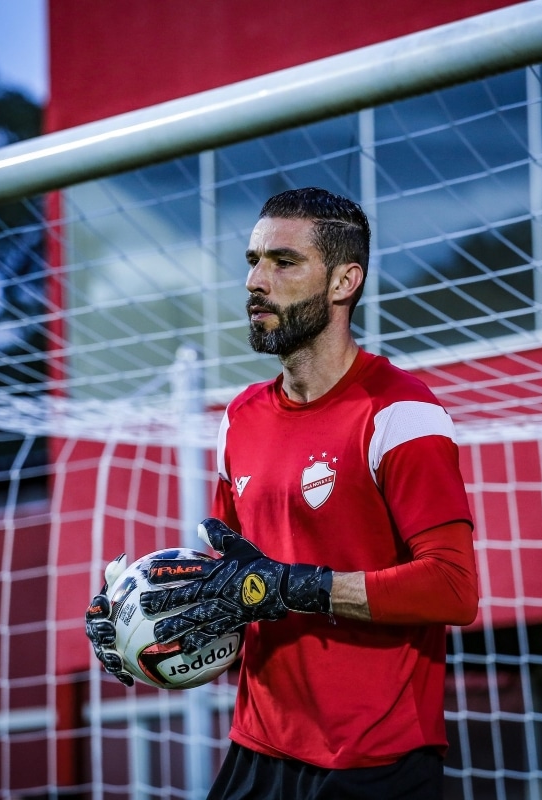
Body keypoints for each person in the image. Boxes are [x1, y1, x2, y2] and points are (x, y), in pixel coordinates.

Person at [87, 187, 478, 799]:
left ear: (345, 281)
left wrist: (298, 586)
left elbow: (454, 588)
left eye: (283, 261)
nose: (255, 280)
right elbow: (236, 586)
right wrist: (143, 621)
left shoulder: (402, 414)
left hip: (377, 763)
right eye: (252, 260)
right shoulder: (239, 418)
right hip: (259, 751)